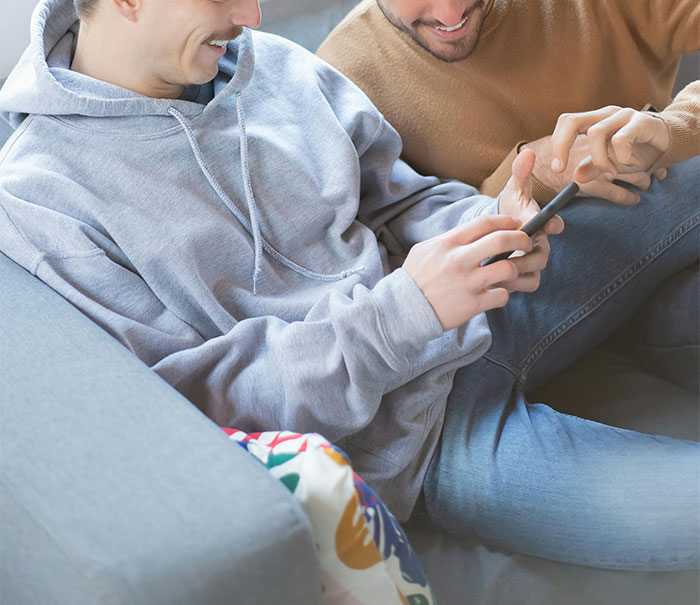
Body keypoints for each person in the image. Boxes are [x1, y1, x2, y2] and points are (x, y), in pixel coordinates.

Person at [0, 0, 697, 572]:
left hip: (479, 311)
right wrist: (407, 312)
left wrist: (488, 224)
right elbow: (201, 405)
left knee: (663, 168)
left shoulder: (273, 66)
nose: (252, 15)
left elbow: (400, 202)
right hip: (418, 446)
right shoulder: (43, 197)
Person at [317, 0, 699, 205]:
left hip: (665, 203)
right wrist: (536, 175)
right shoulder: (340, 74)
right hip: (522, 288)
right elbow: (395, 254)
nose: (450, 14)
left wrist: (677, 129)